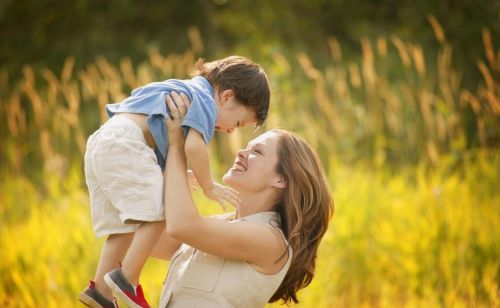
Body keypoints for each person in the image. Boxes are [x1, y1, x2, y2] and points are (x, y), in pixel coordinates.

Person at [79, 56, 270, 308]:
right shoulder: (204, 102)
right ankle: (127, 279)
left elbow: (152, 128)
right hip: (126, 143)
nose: (231, 131)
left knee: (123, 226)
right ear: (227, 97)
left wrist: (177, 173)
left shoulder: (183, 87)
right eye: (237, 123)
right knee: (162, 207)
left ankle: (101, 291)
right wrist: (208, 186)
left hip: (103, 142)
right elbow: (194, 147)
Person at [147, 94, 333, 307]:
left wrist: (177, 147)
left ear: (280, 179)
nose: (240, 152)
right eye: (247, 146)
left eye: (257, 151)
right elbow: (147, 238)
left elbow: (182, 226)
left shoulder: (271, 242)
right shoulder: (220, 225)